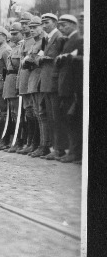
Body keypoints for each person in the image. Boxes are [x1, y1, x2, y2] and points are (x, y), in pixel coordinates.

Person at [38, 13, 66, 160]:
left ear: (55, 23)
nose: (44, 26)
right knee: (50, 116)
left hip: (54, 81)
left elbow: (63, 58)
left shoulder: (59, 37)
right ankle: (54, 148)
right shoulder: (46, 39)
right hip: (46, 82)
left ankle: (59, 149)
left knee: (56, 117)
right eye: (42, 23)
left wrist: (49, 59)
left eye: (46, 22)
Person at [56, 14, 83, 163]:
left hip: (72, 86)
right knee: (69, 119)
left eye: (64, 25)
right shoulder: (67, 41)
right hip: (65, 85)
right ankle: (73, 151)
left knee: (73, 120)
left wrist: (67, 57)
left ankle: (75, 152)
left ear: (73, 25)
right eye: (60, 25)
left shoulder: (78, 40)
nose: (61, 28)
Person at [17, 14, 39, 155]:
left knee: (33, 111)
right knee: (28, 111)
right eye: (23, 24)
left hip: (31, 77)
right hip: (24, 78)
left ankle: (34, 142)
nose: (24, 26)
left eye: (27, 24)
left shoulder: (33, 41)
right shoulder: (24, 41)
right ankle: (30, 141)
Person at [3, 23, 24, 152]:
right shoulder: (14, 47)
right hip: (9, 81)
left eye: (15, 33)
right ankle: (15, 140)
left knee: (19, 114)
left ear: (22, 32)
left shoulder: (22, 47)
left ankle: (20, 141)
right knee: (13, 114)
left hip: (17, 79)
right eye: (11, 33)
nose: (12, 36)